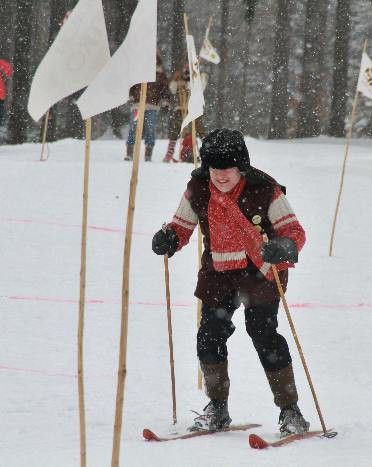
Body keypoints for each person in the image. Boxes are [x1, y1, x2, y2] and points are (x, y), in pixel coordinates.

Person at [151, 129, 310, 435]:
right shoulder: (198, 188)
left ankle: (291, 410)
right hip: (218, 273)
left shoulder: (265, 189)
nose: (220, 176)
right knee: (209, 337)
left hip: (260, 271)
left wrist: (285, 246)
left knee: (264, 335)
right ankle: (217, 407)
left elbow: (294, 231)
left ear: (242, 167)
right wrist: (169, 238)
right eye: (215, 168)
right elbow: (181, 226)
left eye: (228, 169)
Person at [125, 55, 169, 162]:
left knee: (150, 129)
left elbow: (164, 88)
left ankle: (148, 154)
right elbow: (131, 83)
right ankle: (129, 153)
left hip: (152, 105)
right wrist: (130, 94)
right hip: (137, 104)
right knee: (133, 127)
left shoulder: (159, 73)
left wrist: (165, 99)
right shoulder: (138, 70)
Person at [162, 64, 205, 163]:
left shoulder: (198, 78)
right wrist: (175, 80)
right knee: (175, 130)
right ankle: (170, 153)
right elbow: (172, 89)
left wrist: (188, 84)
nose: (187, 72)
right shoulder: (179, 79)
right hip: (180, 108)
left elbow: (200, 88)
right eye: (185, 69)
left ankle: (208, 153)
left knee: (200, 130)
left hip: (194, 109)